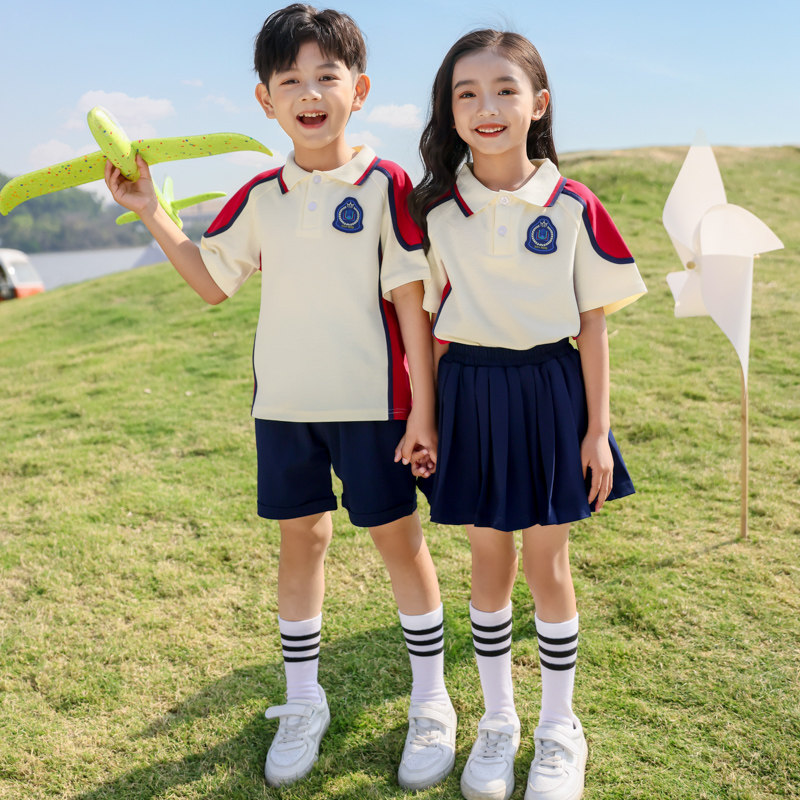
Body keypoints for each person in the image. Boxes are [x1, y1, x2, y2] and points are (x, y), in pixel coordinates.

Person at [104, 4, 455, 791]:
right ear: (264, 98)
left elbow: (411, 305)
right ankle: (303, 701)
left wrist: (423, 415)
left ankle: (432, 702)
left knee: (399, 542)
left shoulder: (385, 184)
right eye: (289, 78)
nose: (309, 91)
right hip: (285, 410)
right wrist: (152, 211)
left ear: (357, 89)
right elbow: (211, 282)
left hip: (376, 411)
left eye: (326, 76)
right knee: (302, 541)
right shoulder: (260, 193)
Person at [409, 29, 647, 800]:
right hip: (470, 395)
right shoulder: (437, 214)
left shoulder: (574, 205)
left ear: (538, 104)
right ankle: (498, 721)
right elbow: (431, 329)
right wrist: (427, 420)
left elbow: (595, 322)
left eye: (506, 89)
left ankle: (557, 729)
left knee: (547, 563)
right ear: (450, 111)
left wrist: (596, 430)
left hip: (552, 390)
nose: (487, 106)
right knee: (488, 560)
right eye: (466, 93)